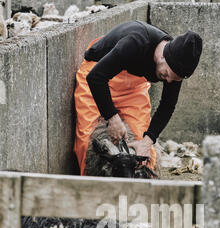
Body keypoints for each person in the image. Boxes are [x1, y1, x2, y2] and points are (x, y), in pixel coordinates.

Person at [74, 21, 202, 175]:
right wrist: (112, 118)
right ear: (164, 56)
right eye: (167, 75)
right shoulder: (136, 42)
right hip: (98, 74)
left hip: (132, 87)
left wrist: (148, 141)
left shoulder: (176, 67)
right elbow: (95, 77)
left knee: (143, 149)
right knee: (87, 144)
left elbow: (168, 105)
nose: (168, 81)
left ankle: (143, 190)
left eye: (174, 80)